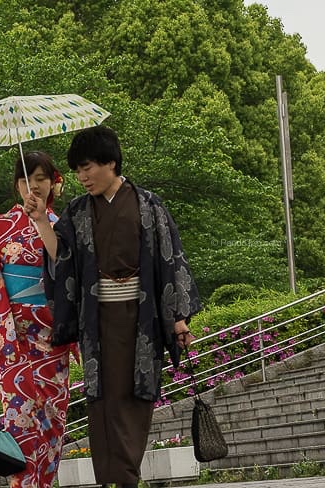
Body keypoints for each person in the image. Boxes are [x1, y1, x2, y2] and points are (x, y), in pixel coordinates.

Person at [44, 125, 202, 488]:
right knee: (102, 400)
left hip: (142, 319)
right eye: (78, 170)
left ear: (111, 162)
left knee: (134, 396)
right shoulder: (77, 211)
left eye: (88, 167)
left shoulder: (148, 204)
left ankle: (127, 477)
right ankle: (109, 479)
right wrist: (40, 220)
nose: (82, 177)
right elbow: (62, 260)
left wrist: (178, 318)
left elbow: (171, 260)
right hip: (98, 322)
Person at [0, 151, 73, 488]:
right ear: (17, 185)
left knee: (52, 414)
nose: (33, 186)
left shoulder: (62, 225)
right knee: (18, 417)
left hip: (52, 333)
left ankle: (45, 482)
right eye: (26, 180)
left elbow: (67, 268)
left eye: (41, 179)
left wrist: (41, 222)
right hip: (10, 333)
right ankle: (20, 483)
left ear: (52, 184)